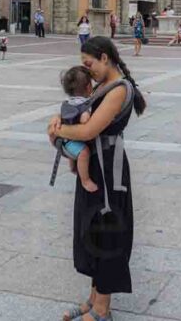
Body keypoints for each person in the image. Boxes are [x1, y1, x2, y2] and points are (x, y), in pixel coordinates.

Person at [49, 37, 146, 321]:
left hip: (108, 172)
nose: (87, 70)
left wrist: (57, 132)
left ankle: (102, 310)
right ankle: (94, 300)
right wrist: (57, 118)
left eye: (89, 64)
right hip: (94, 168)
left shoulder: (119, 89)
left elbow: (89, 130)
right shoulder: (102, 86)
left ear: (105, 58)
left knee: (107, 235)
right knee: (92, 232)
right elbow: (78, 108)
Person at [57, 65, 99, 193]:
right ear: (88, 87)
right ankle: (85, 180)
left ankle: (72, 166)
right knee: (84, 152)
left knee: (77, 150)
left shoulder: (68, 101)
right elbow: (84, 120)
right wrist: (87, 115)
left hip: (66, 139)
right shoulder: (83, 104)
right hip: (72, 140)